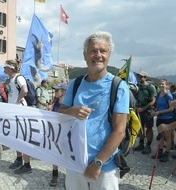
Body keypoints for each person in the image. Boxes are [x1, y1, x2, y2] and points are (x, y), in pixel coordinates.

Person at [59, 31, 129, 190]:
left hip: (104, 167)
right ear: (85, 55)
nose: (98, 55)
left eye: (103, 51)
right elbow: (60, 114)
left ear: (109, 55)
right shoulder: (75, 84)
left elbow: (119, 131)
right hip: (74, 162)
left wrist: (97, 163)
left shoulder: (118, 86)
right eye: (93, 50)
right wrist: (72, 111)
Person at [4, 59, 32, 174]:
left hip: (19, 111)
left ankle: (27, 165)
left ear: (10, 69)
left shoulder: (18, 78)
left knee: (22, 138)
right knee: (16, 137)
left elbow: (24, 90)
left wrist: (18, 100)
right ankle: (19, 159)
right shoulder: (10, 79)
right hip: (13, 111)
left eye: (5, 67)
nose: (4, 69)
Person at [133, 71, 157, 154]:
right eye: (138, 76)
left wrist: (143, 108)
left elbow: (153, 100)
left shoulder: (151, 87)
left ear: (145, 77)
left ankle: (148, 146)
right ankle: (141, 144)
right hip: (139, 109)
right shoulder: (138, 86)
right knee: (140, 127)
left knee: (149, 128)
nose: (139, 77)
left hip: (148, 110)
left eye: (141, 76)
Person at [49, 82, 68, 187]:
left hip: (66, 133)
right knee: (54, 154)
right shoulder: (55, 101)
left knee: (67, 154)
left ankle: (68, 176)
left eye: (57, 90)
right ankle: (54, 174)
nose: (55, 92)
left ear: (64, 92)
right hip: (56, 131)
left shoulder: (71, 104)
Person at [151, 79, 174, 162]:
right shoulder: (158, 95)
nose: (161, 85)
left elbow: (171, 108)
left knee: (168, 137)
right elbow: (158, 105)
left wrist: (159, 112)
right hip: (160, 118)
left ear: (166, 85)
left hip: (167, 118)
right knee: (160, 136)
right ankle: (160, 152)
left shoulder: (168, 96)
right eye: (160, 84)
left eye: (163, 84)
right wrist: (155, 111)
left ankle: (166, 154)